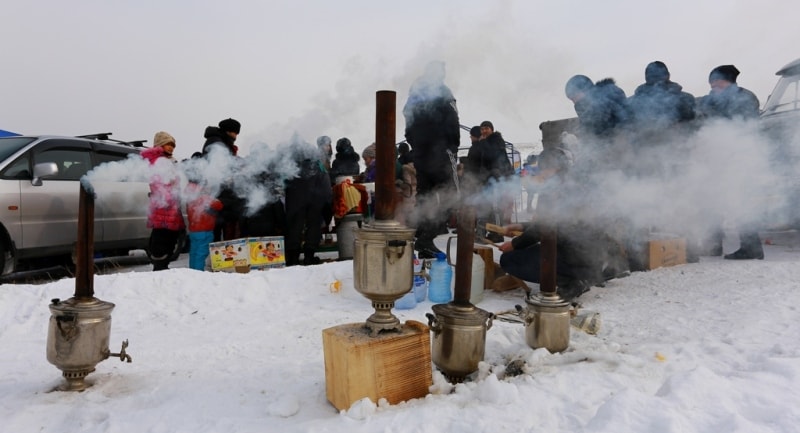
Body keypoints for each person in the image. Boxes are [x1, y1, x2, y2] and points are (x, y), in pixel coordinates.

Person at [495, 145, 627, 301]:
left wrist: (516, 244)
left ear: (553, 168)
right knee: (532, 250)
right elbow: (549, 222)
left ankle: (574, 280)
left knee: (509, 259)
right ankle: (586, 274)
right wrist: (521, 227)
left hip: (578, 255)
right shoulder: (577, 183)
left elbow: (547, 226)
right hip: (594, 255)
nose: (540, 173)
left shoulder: (558, 190)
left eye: (543, 168)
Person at [697, 64, 764, 260]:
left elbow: (742, 127)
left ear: (727, 81)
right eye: (711, 83)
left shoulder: (745, 98)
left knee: (742, 202)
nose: (712, 86)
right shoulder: (711, 99)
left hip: (740, 156)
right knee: (712, 200)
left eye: (716, 82)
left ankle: (752, 248)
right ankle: (713, 245)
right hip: (717, 157)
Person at [402, 60, 461, 258]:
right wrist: (453, 146)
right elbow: (453, 119)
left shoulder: (414, 92)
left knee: (425, 195)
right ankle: (426, 238)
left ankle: (422, 236)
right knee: (451, 196)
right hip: (441, 151)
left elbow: (407, 117)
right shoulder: (443, 91)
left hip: (420, 151)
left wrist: (414, 143)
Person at [283, 140, 333, 266]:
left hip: (295, 203)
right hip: (315, 202)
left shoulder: (291, 169)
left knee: (295, 227)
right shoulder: (319, 167)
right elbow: (327, 189)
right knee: (313, 226)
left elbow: (285, 188)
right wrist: (327, 208)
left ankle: (293, 257)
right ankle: (309, 256)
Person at [141, 131, 185, 271]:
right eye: (168, 144)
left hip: (169, 205)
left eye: (173, 145)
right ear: (160, 145)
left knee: (169, 237)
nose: (171, 148)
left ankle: (162, 265)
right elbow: (162, 183)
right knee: (163, 237)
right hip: (164, 206)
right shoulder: (158, 161)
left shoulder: (167, 161)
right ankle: (160, 267)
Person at [463, 121, 514, 242]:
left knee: (495, 208)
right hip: (486, 179)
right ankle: (482, 233)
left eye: (486, 128)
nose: (484, 131)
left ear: (491, 129)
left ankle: (497, 233)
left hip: (497, 180)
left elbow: (492, 155)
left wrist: (483, 142)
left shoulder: (496, 141)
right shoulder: (484, 143)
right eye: (482, 129)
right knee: (485, 207)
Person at [202, 118, 244, 242]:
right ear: (228, 131)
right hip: (218, 192)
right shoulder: (217, 143)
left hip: (221, 192)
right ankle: (218, 256)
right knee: (218, 224)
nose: (236, 136)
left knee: (221, 224)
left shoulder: (221, 142)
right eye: (235, 133)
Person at [185, 178, 223, 271]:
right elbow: (219, 205)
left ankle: (192, 271)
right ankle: (198, 272)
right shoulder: (205, 198)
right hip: (205, 231)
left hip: (193, 231)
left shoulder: (189, 198)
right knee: (201, 254)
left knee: (194, 252)